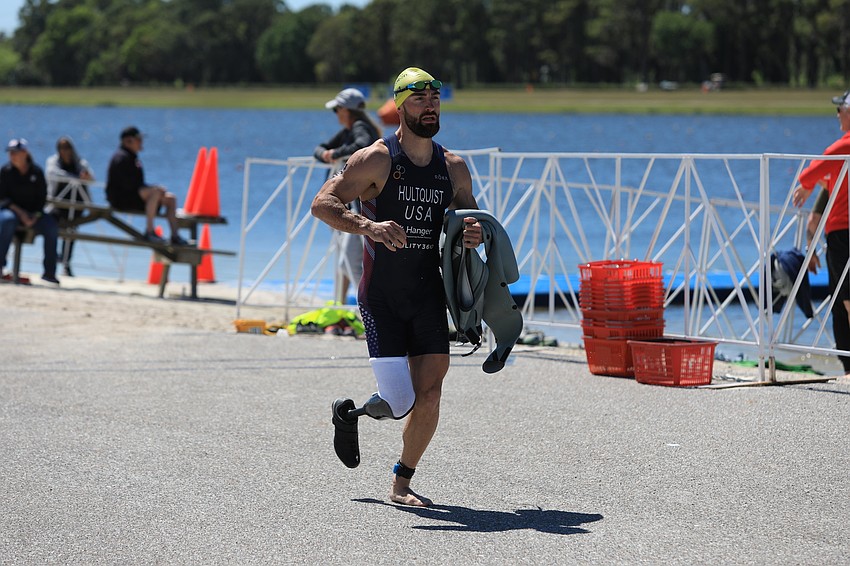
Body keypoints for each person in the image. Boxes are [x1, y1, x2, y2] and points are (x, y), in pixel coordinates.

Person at [311, 67, 483, 507]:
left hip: (428, 294)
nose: (430, 105)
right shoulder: (376, 159)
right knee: (401, 400)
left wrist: (471, 234)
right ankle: (349, 413)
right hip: (382, 297)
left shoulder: (455, 168)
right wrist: (369, 225)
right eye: (420, 98)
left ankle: (401, 482)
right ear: (401, 105)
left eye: (435, 97)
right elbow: (323, 204)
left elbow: (472, 222)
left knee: (431, 392)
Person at [793, 89, 850, 376]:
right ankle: (848, 366)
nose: (837, 114)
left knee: (847, 298)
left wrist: (804, 183)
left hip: (842, 231)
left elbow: (821, 162)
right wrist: (811, 246)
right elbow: (815, 214)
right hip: (837, 230)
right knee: (840, 301)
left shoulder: (843, 147)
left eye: (840, 109)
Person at [314, 87, 382, 304]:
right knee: (349, 260)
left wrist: (334, 154)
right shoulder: (349, 131)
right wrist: (328, 153)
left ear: (346, 110)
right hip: (352, 207)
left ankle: (368, 306)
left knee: (350, 261)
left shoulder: (360, 127)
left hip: (362, 207)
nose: (336, 114)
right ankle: (352, 305)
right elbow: (320, 149)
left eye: (337, 110)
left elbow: (362, 146)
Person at [105, 126, 187, 245]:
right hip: (120, 199)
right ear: (128, 141)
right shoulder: (121, 157)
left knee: (171, 198)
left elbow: (138, 185)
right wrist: (153, 190)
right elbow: (127, 185)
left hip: (134, 196)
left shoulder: (133, 158)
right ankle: (150, 232)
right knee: (155, 192)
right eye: (138, 139)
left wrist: (154, 190)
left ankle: (175, 236)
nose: (141, 142)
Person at [0, 138, 60, 284]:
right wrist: (21, 213)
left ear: (25, 153)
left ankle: (49, 273)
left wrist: (35, 216)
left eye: (15, 152)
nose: (12, 156)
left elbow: (42, 200)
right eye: (10, 153)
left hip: (34, 214)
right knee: (6, 220)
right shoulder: (6, 171)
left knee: (51, 227)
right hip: (11, 211)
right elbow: (2, 199)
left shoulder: (36, 172)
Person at [45, 136, 95, 276]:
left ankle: (66, 263)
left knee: (71, 232)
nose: (65, 151)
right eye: (62, 147)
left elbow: (91, 179)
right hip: (57, 203)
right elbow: (52, 174)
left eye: (67, 147)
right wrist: (74, 177)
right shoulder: (53, 161)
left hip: (77, 204)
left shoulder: (80, 163)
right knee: (51, 228)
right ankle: (53, 259)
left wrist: (85, 177)